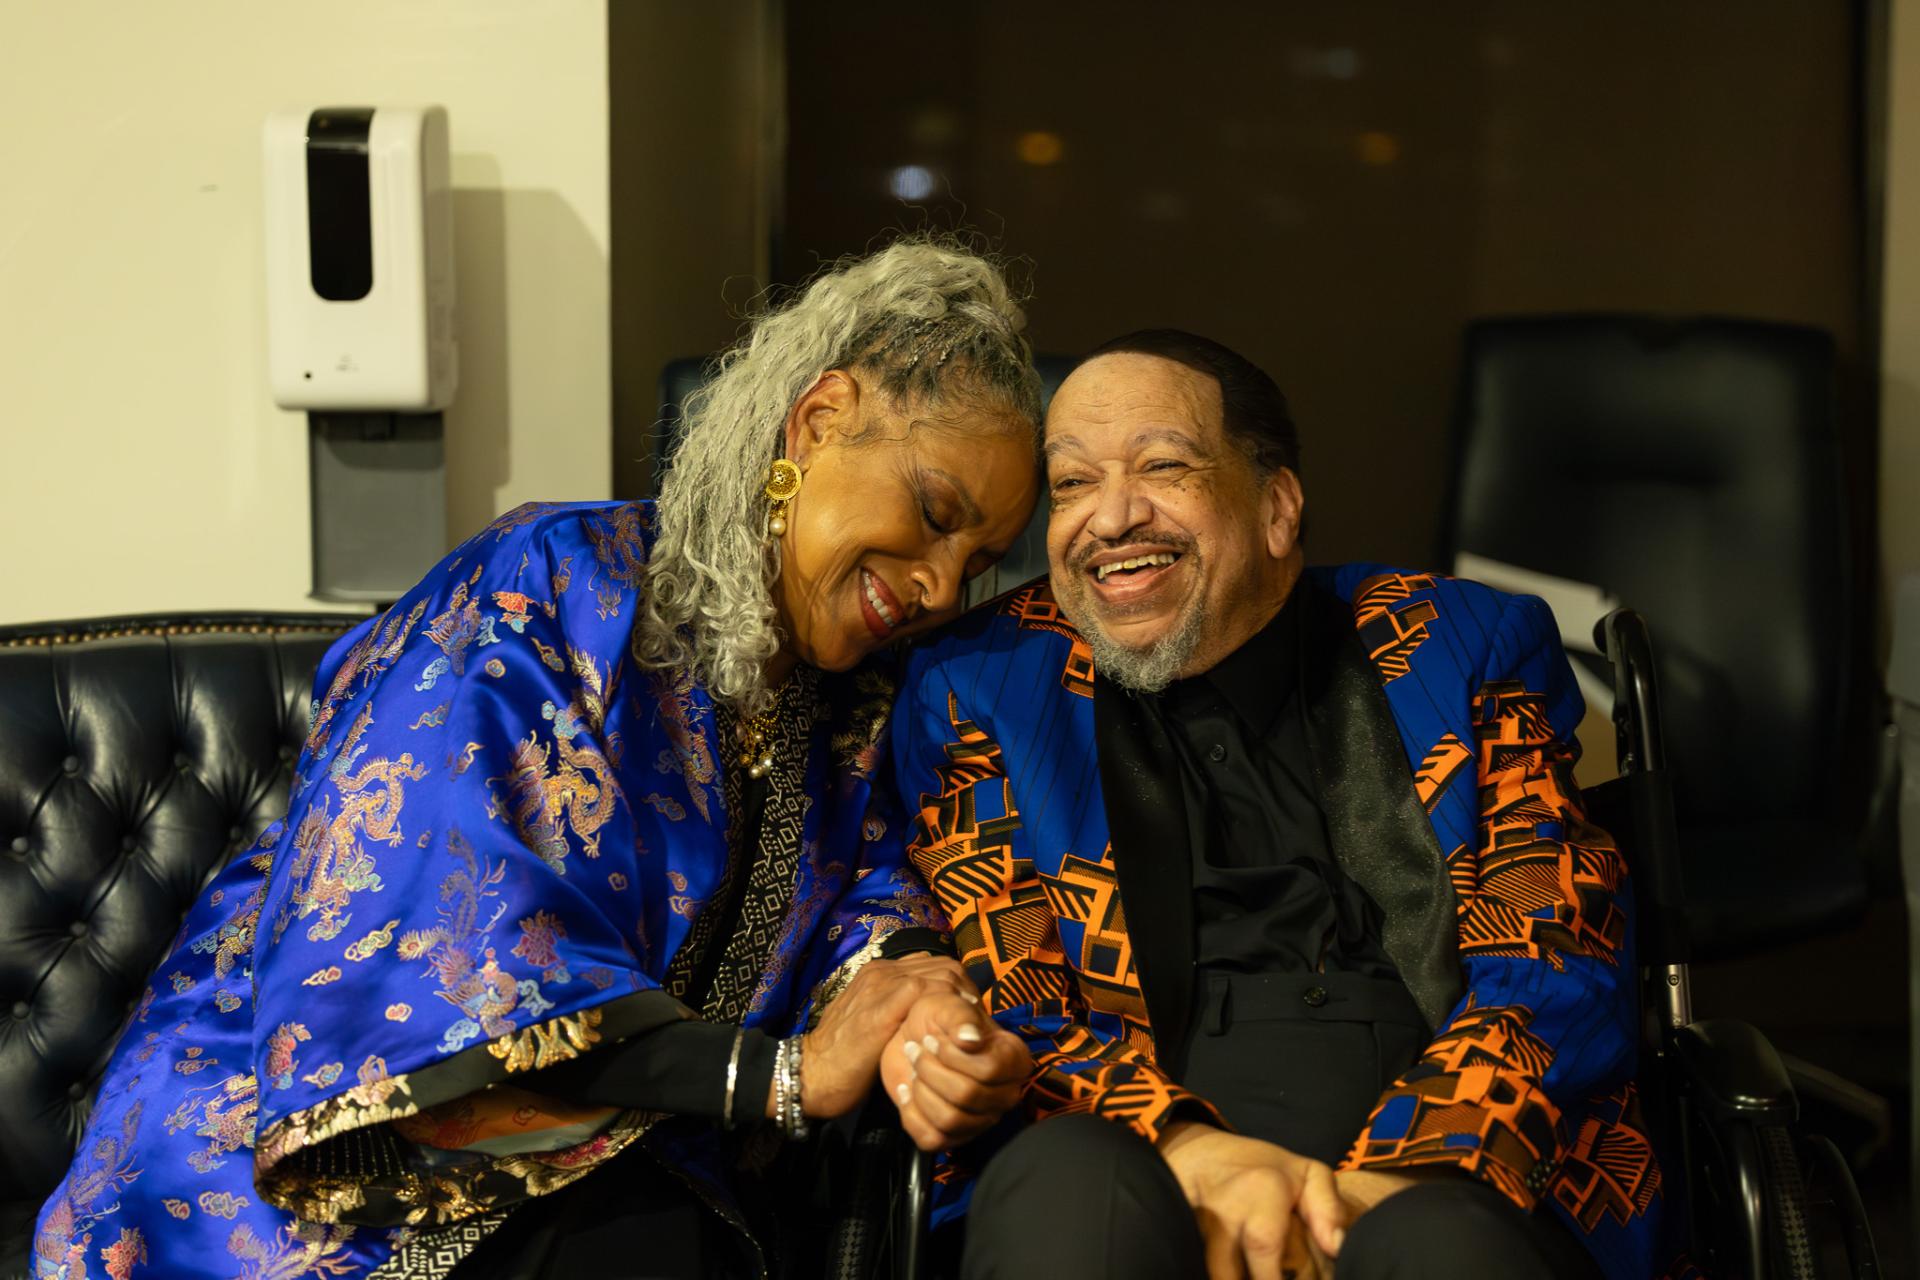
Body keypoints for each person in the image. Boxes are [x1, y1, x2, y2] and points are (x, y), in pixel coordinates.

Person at [33, 237, 1040, 1279]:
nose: (937, 586)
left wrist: (921, 996)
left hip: (623, 1160)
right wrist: (777, 1073)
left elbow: (870, 897)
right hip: (306, 1149)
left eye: (974, 563)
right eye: (933, 514)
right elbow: (441, 937)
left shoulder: (849, 712)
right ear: (820, 419)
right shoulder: (550, 583)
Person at [887, 330, 1670, 1280]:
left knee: (1437, 1250)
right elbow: (1014, 997)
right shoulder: (985, 687)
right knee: (1073, 1198)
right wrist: (1190, 1149)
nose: (1111, 516)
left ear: (1276, 507)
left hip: (1445, 1170)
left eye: (1164, 466)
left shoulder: (1464, 643)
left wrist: (1383, 1186)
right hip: (1131, 1153)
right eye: (1073, 485)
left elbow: (1556, 954)